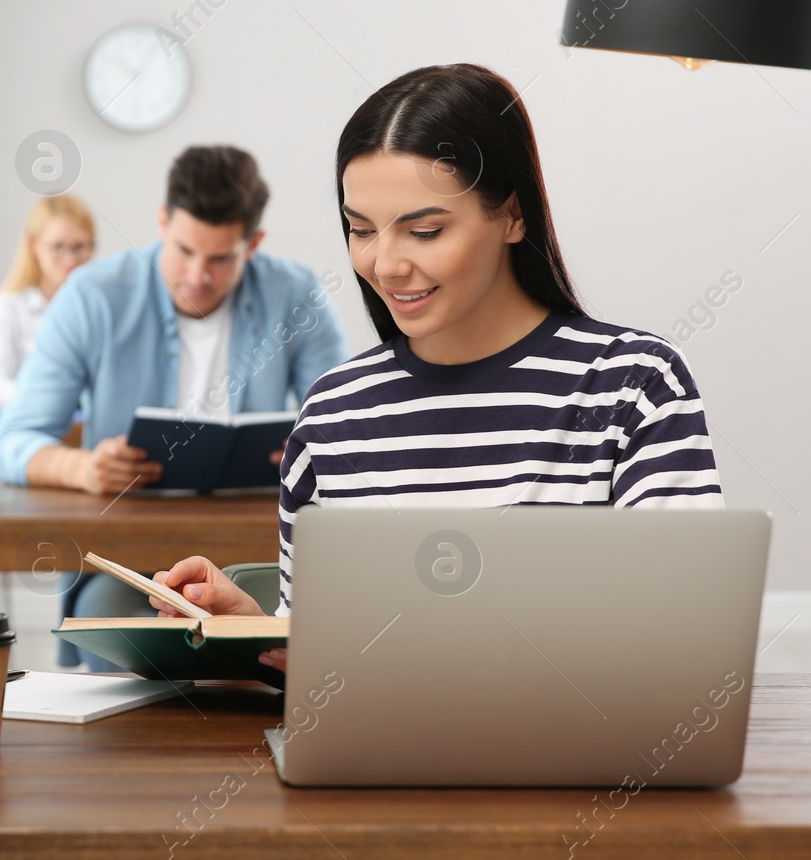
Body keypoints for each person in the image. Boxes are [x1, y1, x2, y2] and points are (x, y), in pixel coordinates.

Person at [149, 64, 725, 672]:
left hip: (581, 757)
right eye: (361, 230)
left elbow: (684, 638)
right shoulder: (332, 413)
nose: (386, 264)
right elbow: (334, 673)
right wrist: (258, 631)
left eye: (424, 230)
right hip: (380, 762)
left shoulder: (634, 383)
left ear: (511, 216)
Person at [0, 144, 351, 668]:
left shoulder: (297, 294)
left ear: (254, 244)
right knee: (119, 639)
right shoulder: (91, 296)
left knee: (284, 653)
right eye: (183, 250)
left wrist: (310, 455)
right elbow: (13, 439)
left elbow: (342, 430)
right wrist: (84, 468)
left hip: (254, 562)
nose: (198, 275)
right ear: (161, 222)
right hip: (131, 569)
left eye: (221, 258)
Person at [0, 195, 96, 411]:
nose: (70, 259)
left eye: (79, 247)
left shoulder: (98, 310)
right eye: (58, 247)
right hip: (31, 433)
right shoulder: (7, 309)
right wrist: (53, 396)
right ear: (34, 245)